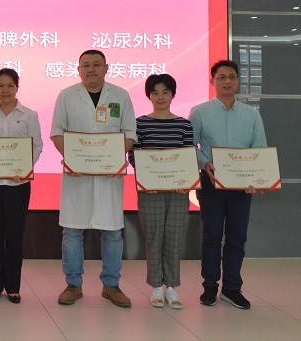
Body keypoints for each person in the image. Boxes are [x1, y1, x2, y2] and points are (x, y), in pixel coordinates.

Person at [50, 50, 136, 308]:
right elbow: (57, 132)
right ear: (78, 70)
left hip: (110, 175)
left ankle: (111, 285)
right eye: (85, 65)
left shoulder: (120, 95)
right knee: (72, 231)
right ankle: (73, 285)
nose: (91, 69)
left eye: (96, 64)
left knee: (112, 232)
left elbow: (130, 133)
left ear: (106, 68)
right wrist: (72, 159)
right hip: (77, 176)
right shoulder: (66, 95)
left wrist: (115, 158)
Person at [189, 59, 266, 310]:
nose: (227, 81)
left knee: (237, 237)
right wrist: (205, 162)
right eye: (221, 77)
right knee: (211, 236)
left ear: (238, 81)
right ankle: (210, 287)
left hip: (242, 185)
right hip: (211, 182)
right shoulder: (200, 112)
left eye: (232, 76)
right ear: (212, 81)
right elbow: (191, 146)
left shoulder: (251, 115)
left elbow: (259, 150)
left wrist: (257, 179)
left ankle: (232, 289)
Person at [0, 68, 43, 304]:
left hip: (18, 184)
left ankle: (13, 287)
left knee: (14, 236)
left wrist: (24, 169)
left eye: (10, 86)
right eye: (1, 86)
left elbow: (36, 146)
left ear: (17, 87)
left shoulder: (29, 115)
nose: (5, 90)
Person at [129, 73, 193, 309]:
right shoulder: (140, 123)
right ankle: (156, 286)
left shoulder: (184, 124)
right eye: (155, 92)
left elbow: (188, 155)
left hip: (178, 191)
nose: (160, 97)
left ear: (173, 94)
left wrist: (185, 180)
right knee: (154, 236)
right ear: (149, 96)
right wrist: (148, 179)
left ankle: (172, 287)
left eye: (165, 92)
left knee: (174, 237)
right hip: (150, 191)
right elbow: (133, 155)